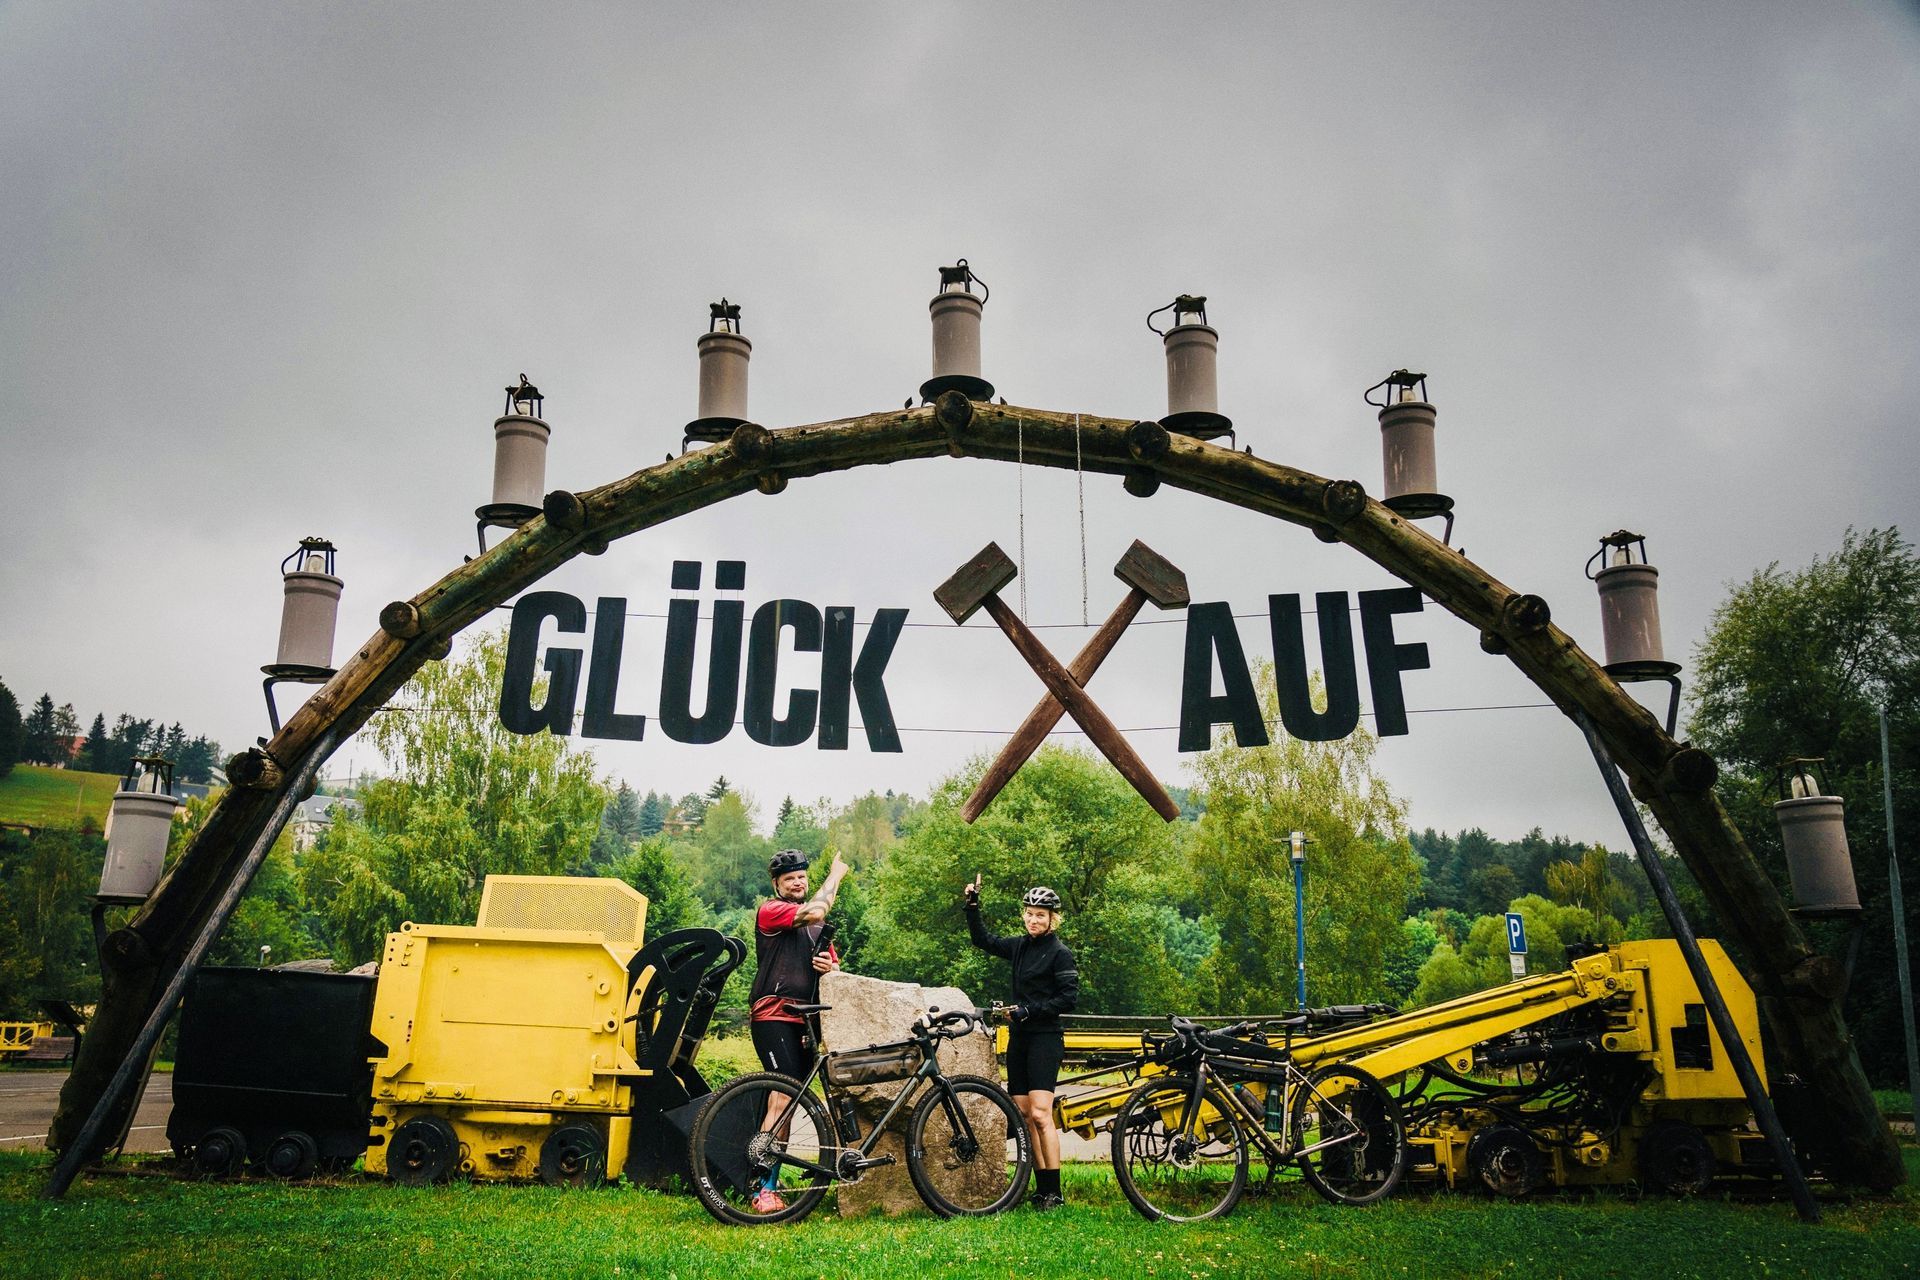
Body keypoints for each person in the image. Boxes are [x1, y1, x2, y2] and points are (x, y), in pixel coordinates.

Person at [964, 878, 1078, 1210]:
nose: (1034, 920)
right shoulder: (1019, 947)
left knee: (1042, 1115)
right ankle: (1039, 1190)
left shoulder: (1060, 954)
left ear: (1052, 918)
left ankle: (1054, 1192)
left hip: (1045, 1039)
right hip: (1019, 1039)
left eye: (1040, 915)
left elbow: (1068, 999)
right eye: (1029, 914)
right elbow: (981, 939)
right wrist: (973, 905)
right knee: (1025, 1116)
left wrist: (1030, 1010)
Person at [747, 847, 847, 1213]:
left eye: (802, 877)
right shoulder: (772, 911)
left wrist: (829, 967)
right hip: (774, 1015)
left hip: (807, 1022)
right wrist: (835, 875)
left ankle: (768, 1179)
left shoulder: (818, 928)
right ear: (777, 884)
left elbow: (834, 968)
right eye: (790, 879)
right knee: (783, 1099)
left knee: (787, 1105)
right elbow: (816, 909)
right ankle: (761, 1190)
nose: (798, 883)